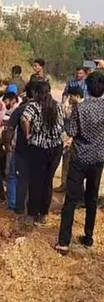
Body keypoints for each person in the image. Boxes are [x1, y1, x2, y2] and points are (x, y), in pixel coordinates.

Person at [56, 71, 104, 254]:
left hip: (79, 158)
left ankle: (63, 242)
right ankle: (88, 237)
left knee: (71, 200)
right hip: (98, 159)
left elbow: (71, 131)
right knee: (91, 199)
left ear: (87, 88)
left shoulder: (80, 108)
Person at [21, 80, 65, 226]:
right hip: (55, 148)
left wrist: (27, 134)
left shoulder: (34, 105)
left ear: (35, 92)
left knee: (35, 181)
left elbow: (24, 119)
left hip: (38, 148)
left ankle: (31, 214)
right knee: (48, 181)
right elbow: (66, 121)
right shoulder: (58, 106)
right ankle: (43, 215)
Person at [4, 85, 31, 214]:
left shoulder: (21, 110)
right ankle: (30, 205)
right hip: (40, 150)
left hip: (21, 148)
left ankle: (14, 204)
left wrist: (7, 144)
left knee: (14, 176)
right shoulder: (49, 108)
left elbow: (10, 129)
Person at [60, 85, 84, 190]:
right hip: (69, 138)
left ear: (77, 96)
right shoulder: (71, 106)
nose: (69, 98)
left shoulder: (82, 108)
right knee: (66, 162)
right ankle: (64, 184)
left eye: (71, 96)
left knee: (76, 168)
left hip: (76, 141)